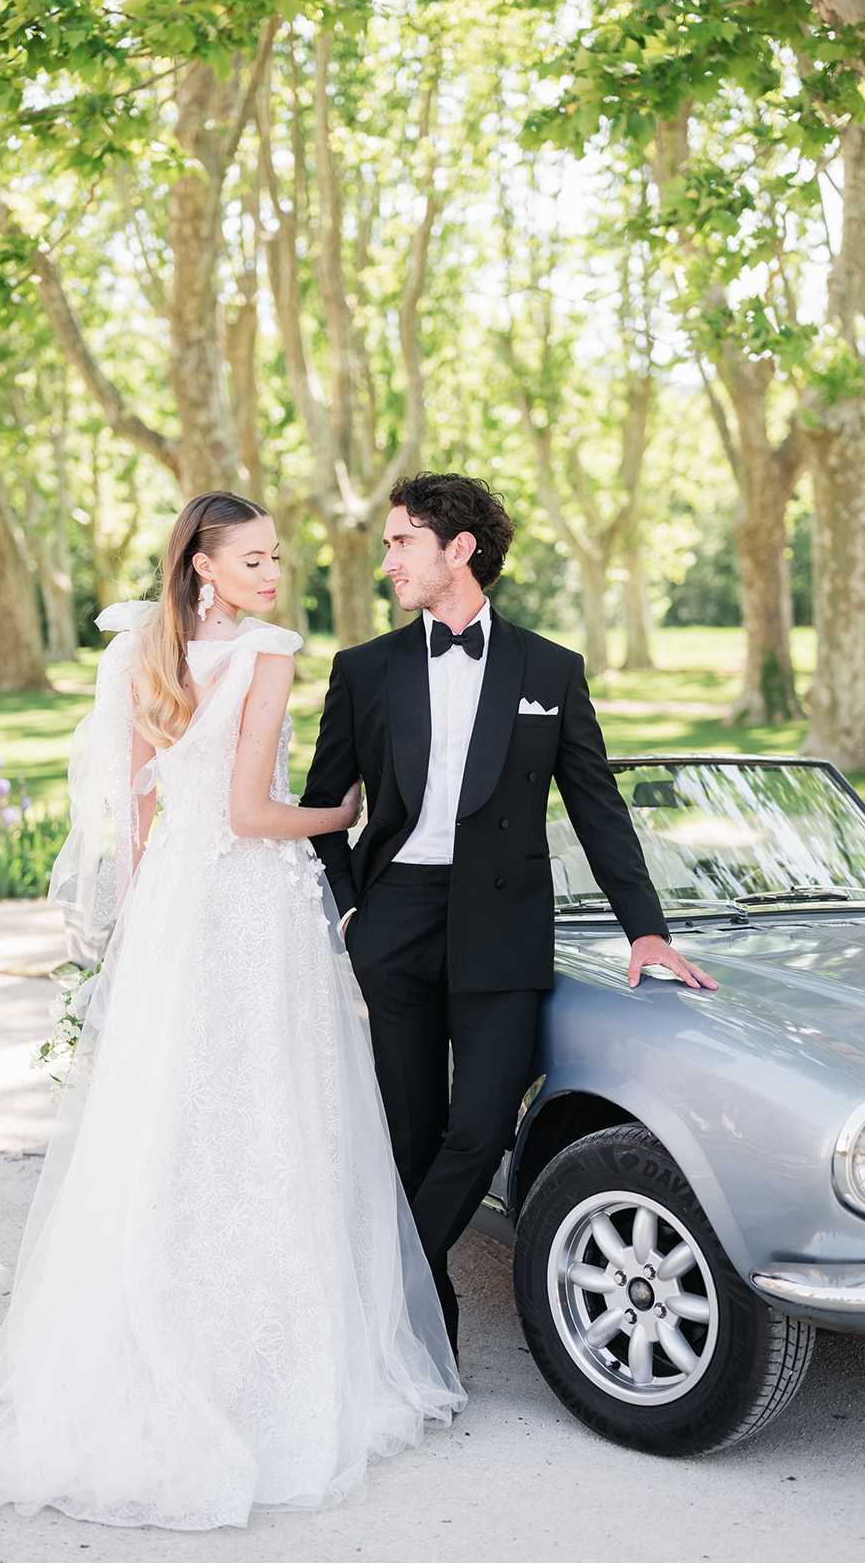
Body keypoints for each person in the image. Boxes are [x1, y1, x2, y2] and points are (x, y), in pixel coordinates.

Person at [0, 492, 464, 1532]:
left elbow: (140, 810)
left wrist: (137, 924)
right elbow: (250, 813)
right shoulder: (269, 649)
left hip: (177, 904)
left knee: (169, 1121)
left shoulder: (146, 648)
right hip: (249, 903)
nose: (276, 574)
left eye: (277, 558)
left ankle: (153, 1326)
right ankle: (268, 1359)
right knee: (272, 1113)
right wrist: (341, 812)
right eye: (257, 559)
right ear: (208, 568)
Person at [301, 471, 717, 1357]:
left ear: (459, 550)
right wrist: (348, 914)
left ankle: (376, 1294)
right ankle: (425, 1334)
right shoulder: (364, 670)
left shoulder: (549, 670)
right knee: (410, 1133)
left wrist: (647, 930)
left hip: (503, 925)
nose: (386, 562)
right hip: (397, 920)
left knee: (481, 1127)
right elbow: (323, 808)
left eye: (400, 541)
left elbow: (598, 808)